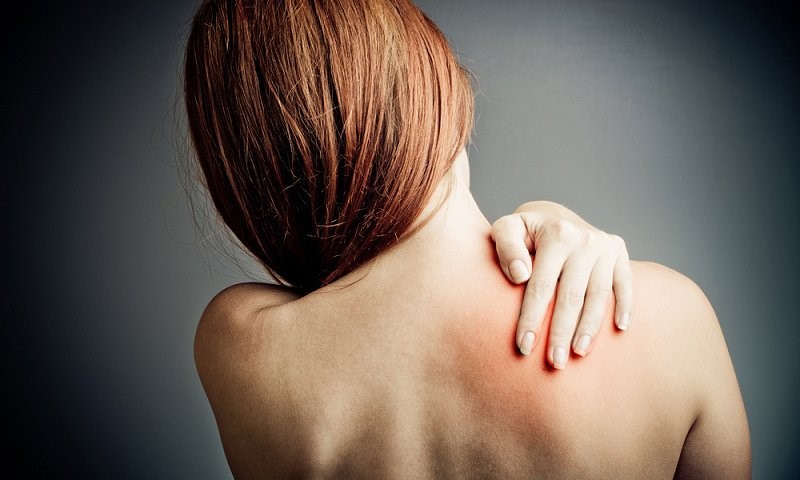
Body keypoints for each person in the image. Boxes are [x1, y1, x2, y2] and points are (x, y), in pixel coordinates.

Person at [185, 0, 751, 478]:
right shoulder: (669, 323)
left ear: (244, 181)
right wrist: (549, 214)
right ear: (436, 91)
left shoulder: (242, 348)